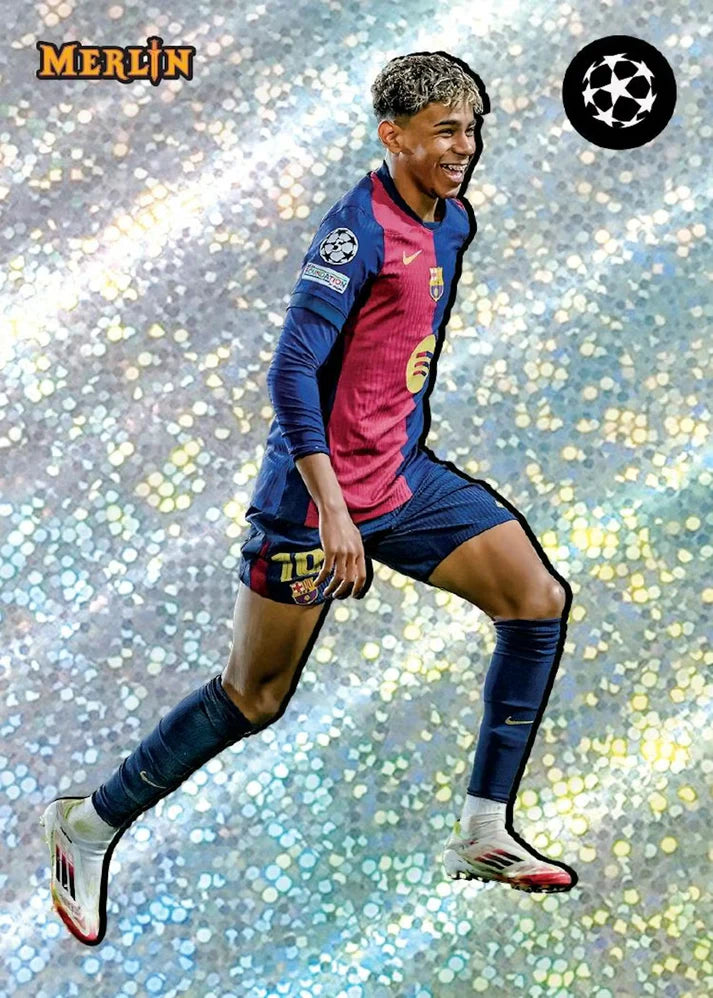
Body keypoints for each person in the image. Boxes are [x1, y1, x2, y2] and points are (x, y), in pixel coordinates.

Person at [41, 50, 578, 946]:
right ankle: (89, 823)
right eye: (446, 131)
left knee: (535, 600)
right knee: (253, 698)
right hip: (309, 504)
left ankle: (483, 831)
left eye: (473, 128)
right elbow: (291, 372)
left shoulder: (452, 221)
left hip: (399, 482)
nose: (466, 147)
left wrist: (378, 476)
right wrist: (332, 511)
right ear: (392, 136)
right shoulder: (353, 235)